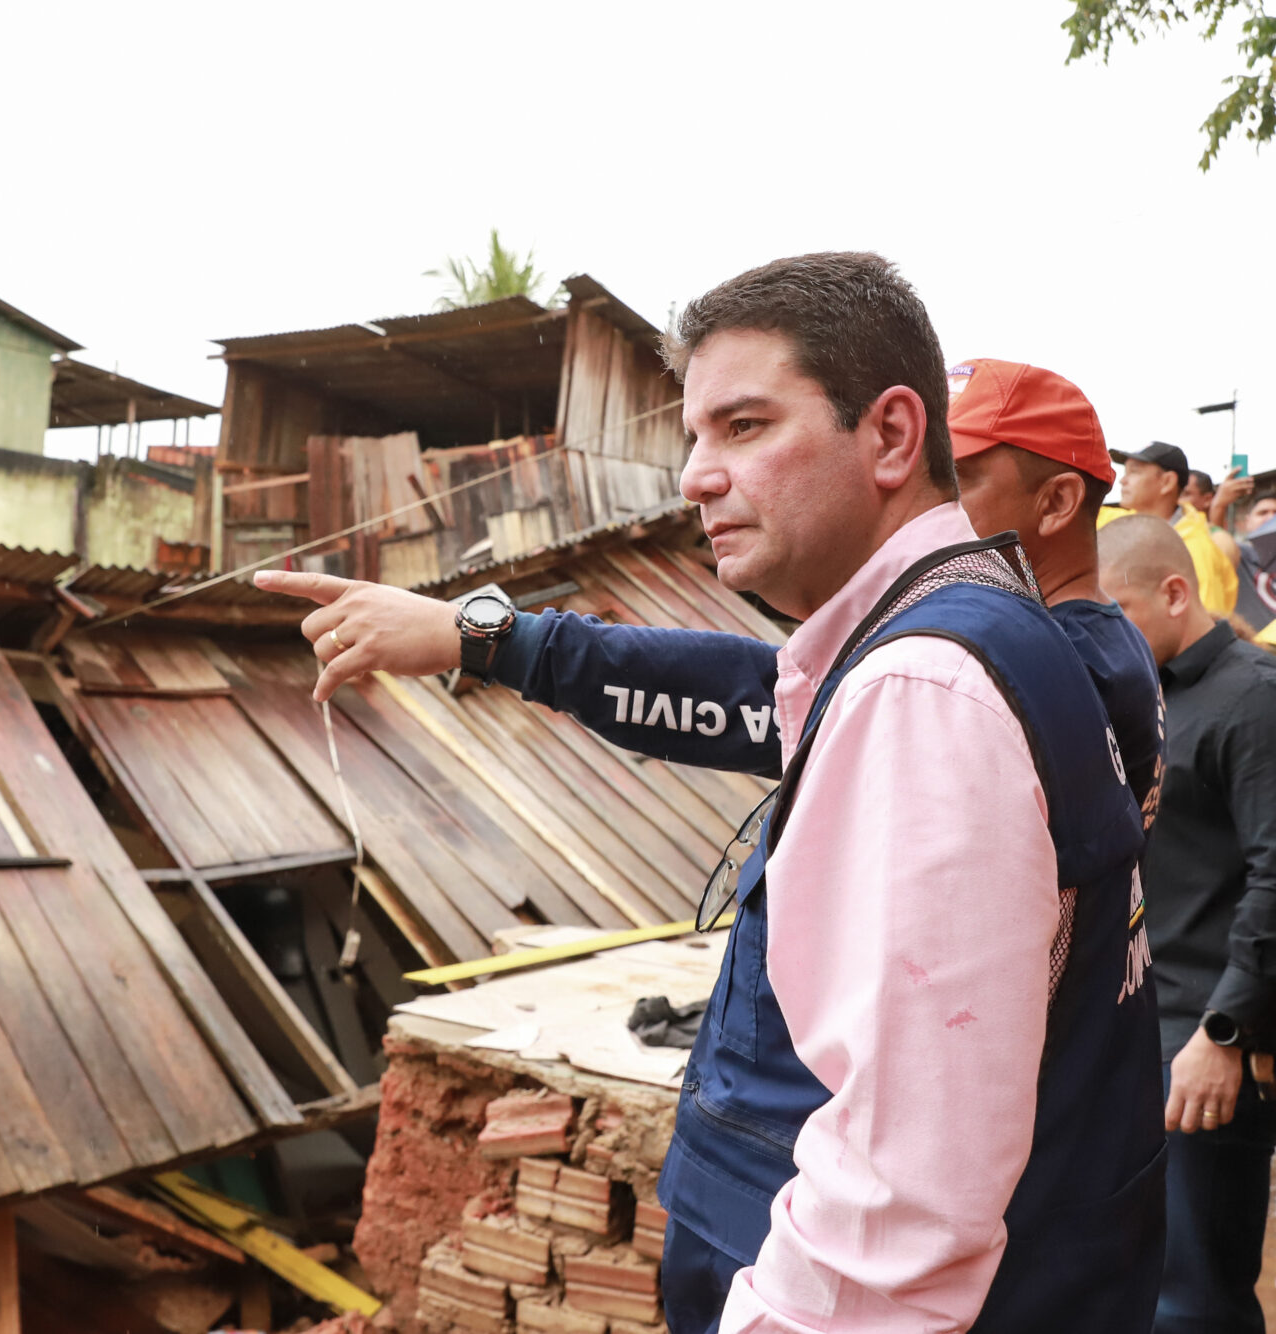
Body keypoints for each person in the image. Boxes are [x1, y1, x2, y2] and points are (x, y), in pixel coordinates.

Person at [258, 253, 1161, 1332]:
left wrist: (491, 639)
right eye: (694, 435)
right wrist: (485, 636)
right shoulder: (964, 638)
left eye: (741, 426)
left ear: (888, 436)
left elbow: (899, 1199)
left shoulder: (928, 686)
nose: (692, 475)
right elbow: (756, 694)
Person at [1099, 517, 1276, 1334]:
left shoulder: (1252, 699)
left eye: (1118, 611)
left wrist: (1226, 1031)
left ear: (1176, 593)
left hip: (1205, 1037)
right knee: (1130, 1265)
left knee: (1194, 1288)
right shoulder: (1142, 698)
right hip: (1138, 1015)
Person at [1103, 442, 1239, 616]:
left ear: (1167, 482)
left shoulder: (1195, 551)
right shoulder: (1117, 524)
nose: (1123, 480)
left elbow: (1206, 625)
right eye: (1125, 472)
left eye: (1134, 471)